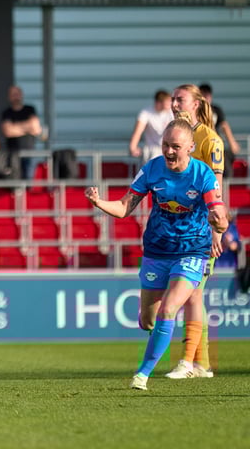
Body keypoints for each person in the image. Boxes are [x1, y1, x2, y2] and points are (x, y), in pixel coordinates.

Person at [85, 119, 228, 390]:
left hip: (192, 251)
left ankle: (143, 374)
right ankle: (153, 330)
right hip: (157, 251)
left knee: (169, 308)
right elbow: (124, 207)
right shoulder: (152, 169)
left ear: (190, 147)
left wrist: (219, 224)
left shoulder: (203, 174)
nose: (169, 151)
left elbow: (219, 214)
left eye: (176, 146)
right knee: (147, 320)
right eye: (165, 145)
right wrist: (98, 202)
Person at [166, 84, 225, 379]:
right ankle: (201, 363)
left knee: (192, 292)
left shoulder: (210, 140)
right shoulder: (175, 135)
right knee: (192, 294)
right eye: (173, 99)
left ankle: (189, 362)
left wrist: (217, 230)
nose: (174, 104)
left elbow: (216, 188)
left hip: (202, 228)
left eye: (180, 99)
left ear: (196, 104)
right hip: (180, 228)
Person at [0, 86, 43, 180]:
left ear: (21, 95)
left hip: (29, 152)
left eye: (17, 93)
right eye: (13, 94)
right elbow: (8, 131)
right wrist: (27, 127)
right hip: (13, 154)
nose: (16, 96)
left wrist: (15, 127)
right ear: (9, 97)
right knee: (15, 181)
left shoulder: (30, 109)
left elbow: (36, 128)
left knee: (29, 180)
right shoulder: (7, 113)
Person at [199, 83, 242, 164]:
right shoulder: (195, 110)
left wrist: (232, 143)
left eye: (207, 95)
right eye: (203, 94)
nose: (206, 97)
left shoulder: (216, 110)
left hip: (214, 143)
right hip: (200, 144)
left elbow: (224, 126)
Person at [128, 90, 173, 162]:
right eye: (167, 101)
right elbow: (138, 131)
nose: (170, 104)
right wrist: (133, 147)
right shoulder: (146, 113)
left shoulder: (172, 113)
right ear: (159, 102)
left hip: (169, 149)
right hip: (152, 150)